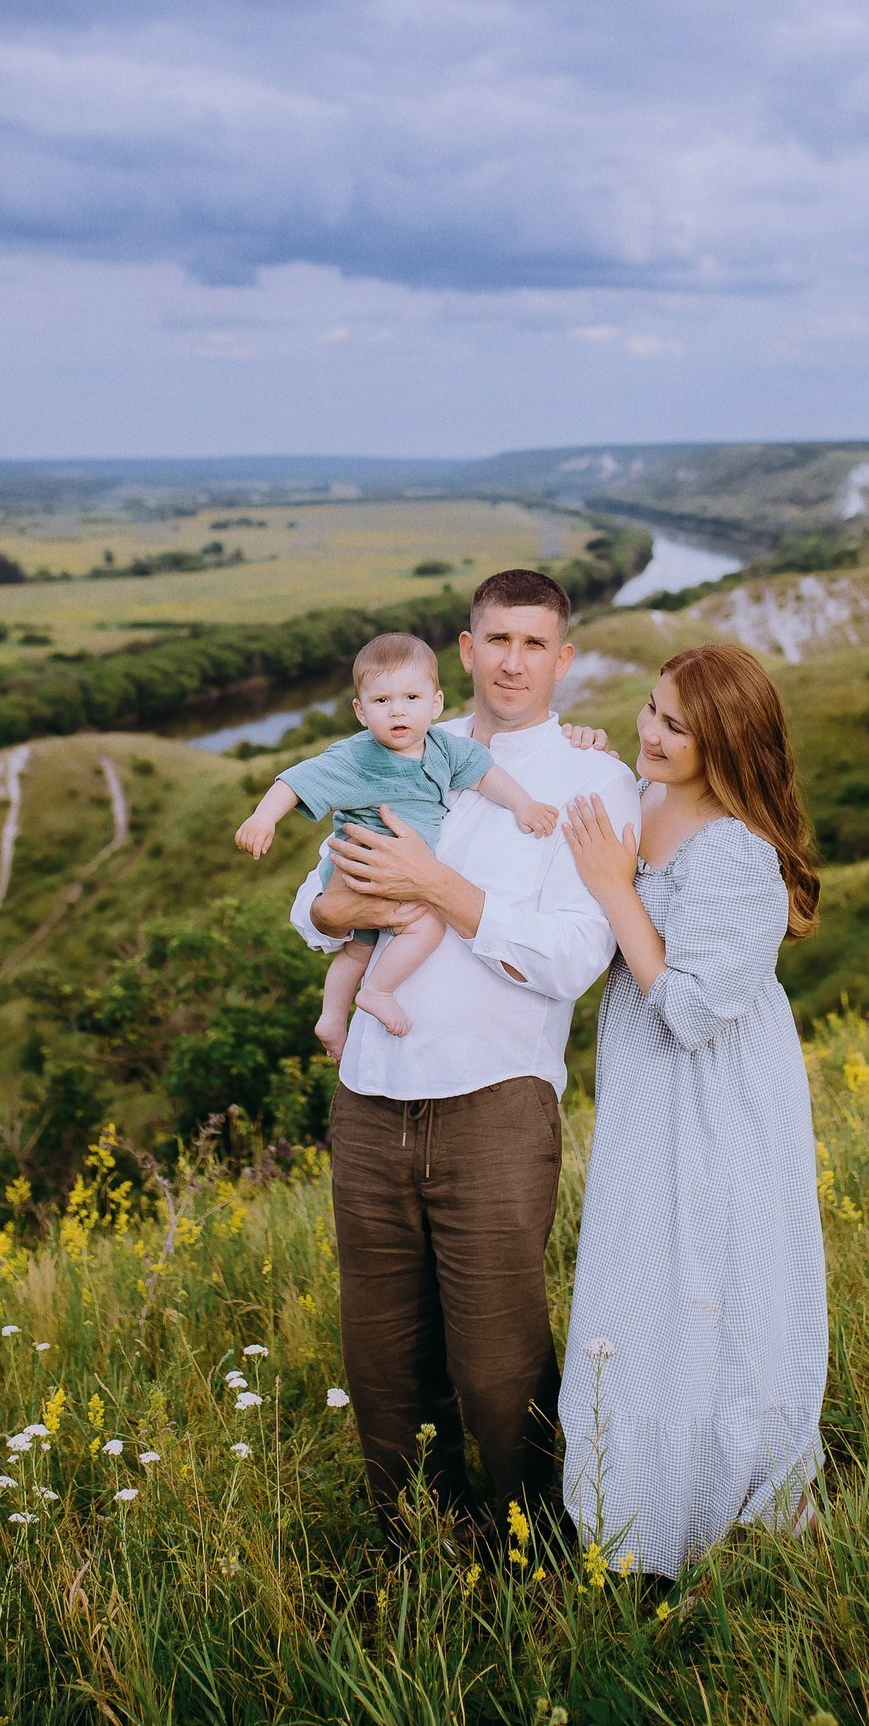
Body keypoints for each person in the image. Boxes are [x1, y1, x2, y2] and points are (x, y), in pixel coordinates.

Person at [296, 570, 640, 1538]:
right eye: (497, 640)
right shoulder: (390, 747)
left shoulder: (588, 781)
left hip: (494, 1100)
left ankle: (532, 1559)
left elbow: (573, 956)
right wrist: (337, 908)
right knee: (383, 1363)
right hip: (368, 1095)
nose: (513, 661)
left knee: (496, 1368)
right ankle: (413, 1560)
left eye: (535, 644)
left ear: (561, 659)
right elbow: (313, 903)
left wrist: (436, 888)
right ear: (464, 650)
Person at [558, 643, 828, 1578]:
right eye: (651, 709)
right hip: (647, 1103)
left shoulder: (739, 857)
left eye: (677, 726)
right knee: (643, 1286)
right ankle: (631, 1518)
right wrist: (583, 764)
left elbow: (691, 1010)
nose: (651, 731)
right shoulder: (645, 801)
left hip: (718, 1106)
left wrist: (614, 888)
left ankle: (723, 1515)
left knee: (716, 1287)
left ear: (727, 743)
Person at [234, 632, 558, 1059]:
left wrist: (523, 804)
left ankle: (332, 1016)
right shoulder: (358, 757)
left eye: (410, 697)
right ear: (360, 711)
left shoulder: (445, 748)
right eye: (382, 701)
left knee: (358, 948)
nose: (398, 710)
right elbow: (297, 779)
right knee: (426, 925)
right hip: (361, 872)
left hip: (393, 876)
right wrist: (262, 817)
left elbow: (484, 774)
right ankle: (379, 991)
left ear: (436, 703)